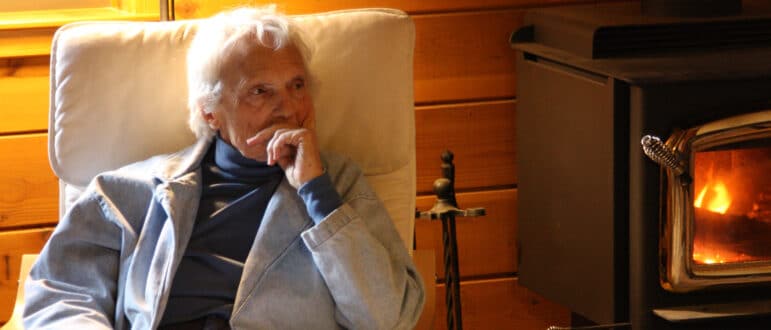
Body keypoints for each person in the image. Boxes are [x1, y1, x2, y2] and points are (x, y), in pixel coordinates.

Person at [23, 6, 425, 330]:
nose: (287, 106)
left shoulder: (337, 186)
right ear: (210, 112)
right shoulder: (126, 192)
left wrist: (315, 192)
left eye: (297, 85)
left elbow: (387, 316)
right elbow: (61, 293)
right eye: (260, 90)